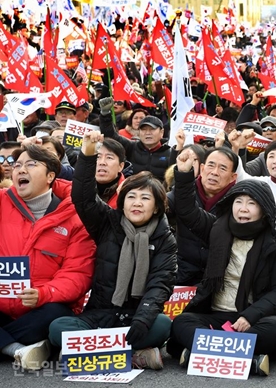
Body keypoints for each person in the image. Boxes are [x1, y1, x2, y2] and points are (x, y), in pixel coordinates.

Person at [50, 131, 177, 370]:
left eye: (145, 198)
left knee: (162, 325)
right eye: (131, 196)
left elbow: (160, 284)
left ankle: (85, 351)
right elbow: (84, 198)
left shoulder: (165, 238)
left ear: (158, 206)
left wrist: (142, 320)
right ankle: (134, 355)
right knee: (58, 328)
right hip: (99, 313)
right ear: (122, 201)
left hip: (134, 316)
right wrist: (88, 156)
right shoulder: (108, 222)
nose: (137, 203)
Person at [168, 174, 276, 376]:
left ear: (264, 209)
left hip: (256, 317)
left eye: (251, 203)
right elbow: (187, 211)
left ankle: (202, 353)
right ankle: (248, 359)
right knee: (181, 323)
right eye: (238, 202)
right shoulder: (216, 228)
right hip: (217, 315)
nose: (243, 208)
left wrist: (250, 316)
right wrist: (184, 175)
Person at [0, 145, 95, 370]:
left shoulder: (76, 216)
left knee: (55, 318)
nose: (21, 170)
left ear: (50, 176)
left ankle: (10, 342)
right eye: (18, 165)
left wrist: (43, 294)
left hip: (43, 308)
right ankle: (17, 349)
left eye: (31, 164)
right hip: (2, 306)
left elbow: (77, 274)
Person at [169, 147, 239, 286]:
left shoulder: (237, 202)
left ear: (233, 177)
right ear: (202, 168)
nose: (214, 172)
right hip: (180, 272)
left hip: (218, 279)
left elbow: (191, 213)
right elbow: (160, 205)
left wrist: (184, 176)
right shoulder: (183, 190)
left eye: (223, 168)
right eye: (211, 165)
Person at [98, 97, 177, 181]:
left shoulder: (171, 152)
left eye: (152, 129)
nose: (147, 133)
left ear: (161, 132)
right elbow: (111, 137)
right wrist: (105, 114)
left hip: (159, 192)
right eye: (144, 129)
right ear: (139, 132)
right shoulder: (132, 147)